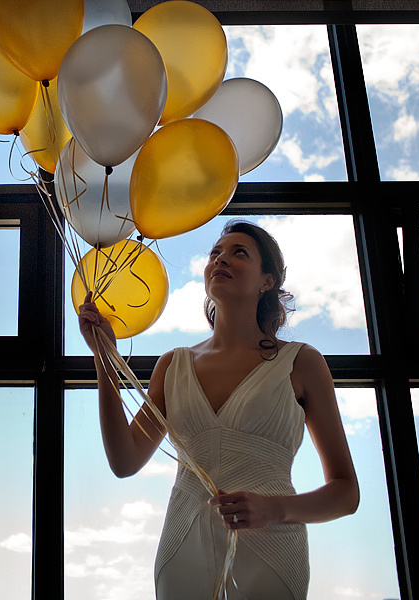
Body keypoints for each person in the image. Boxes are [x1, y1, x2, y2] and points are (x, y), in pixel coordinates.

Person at [78, 220, 359, 600]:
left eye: (238, 253)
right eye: (215, 253)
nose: (220, 259)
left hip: (272, 550)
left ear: (267, 281)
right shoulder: (172, 365)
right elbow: (124, 461)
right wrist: (104, 358)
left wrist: (274, 509)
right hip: (182, 545)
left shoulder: (301, 362)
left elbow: (346, 493)